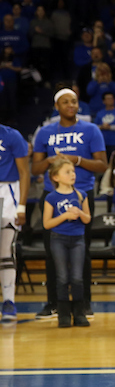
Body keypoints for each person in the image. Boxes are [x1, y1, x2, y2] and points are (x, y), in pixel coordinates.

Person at [31, 89, 106, 320]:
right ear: (57, 106)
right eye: (66, 102)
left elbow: (102, 165)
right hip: (51, 196)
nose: (71, 105)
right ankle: (53, 303)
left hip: (81, 195)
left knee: (81, 250)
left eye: (74, 101)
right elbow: (35, 169)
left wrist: (78, 161)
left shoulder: (90, 130)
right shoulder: (44, 132)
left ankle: (83, 304)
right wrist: (49, 162)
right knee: (51, 250)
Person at [43, 155, 91, 328]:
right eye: (67, 172)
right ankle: (63, 314)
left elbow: (87, 219)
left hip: (78, 239)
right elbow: (47, 223)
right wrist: (64, 215)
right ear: (56, 177)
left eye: (73, 171)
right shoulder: (51, 197)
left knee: (77, 277)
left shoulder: (81, 194)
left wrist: (80, 213)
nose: (72, 174)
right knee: (62, 277)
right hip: (58, 239)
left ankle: (79, 313)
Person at [0, 123, 29, 323]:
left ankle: (8, 301)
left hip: (7, 193)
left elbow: (24, 172)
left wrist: (22, 206)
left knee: (5, 250)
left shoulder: (12, 135)